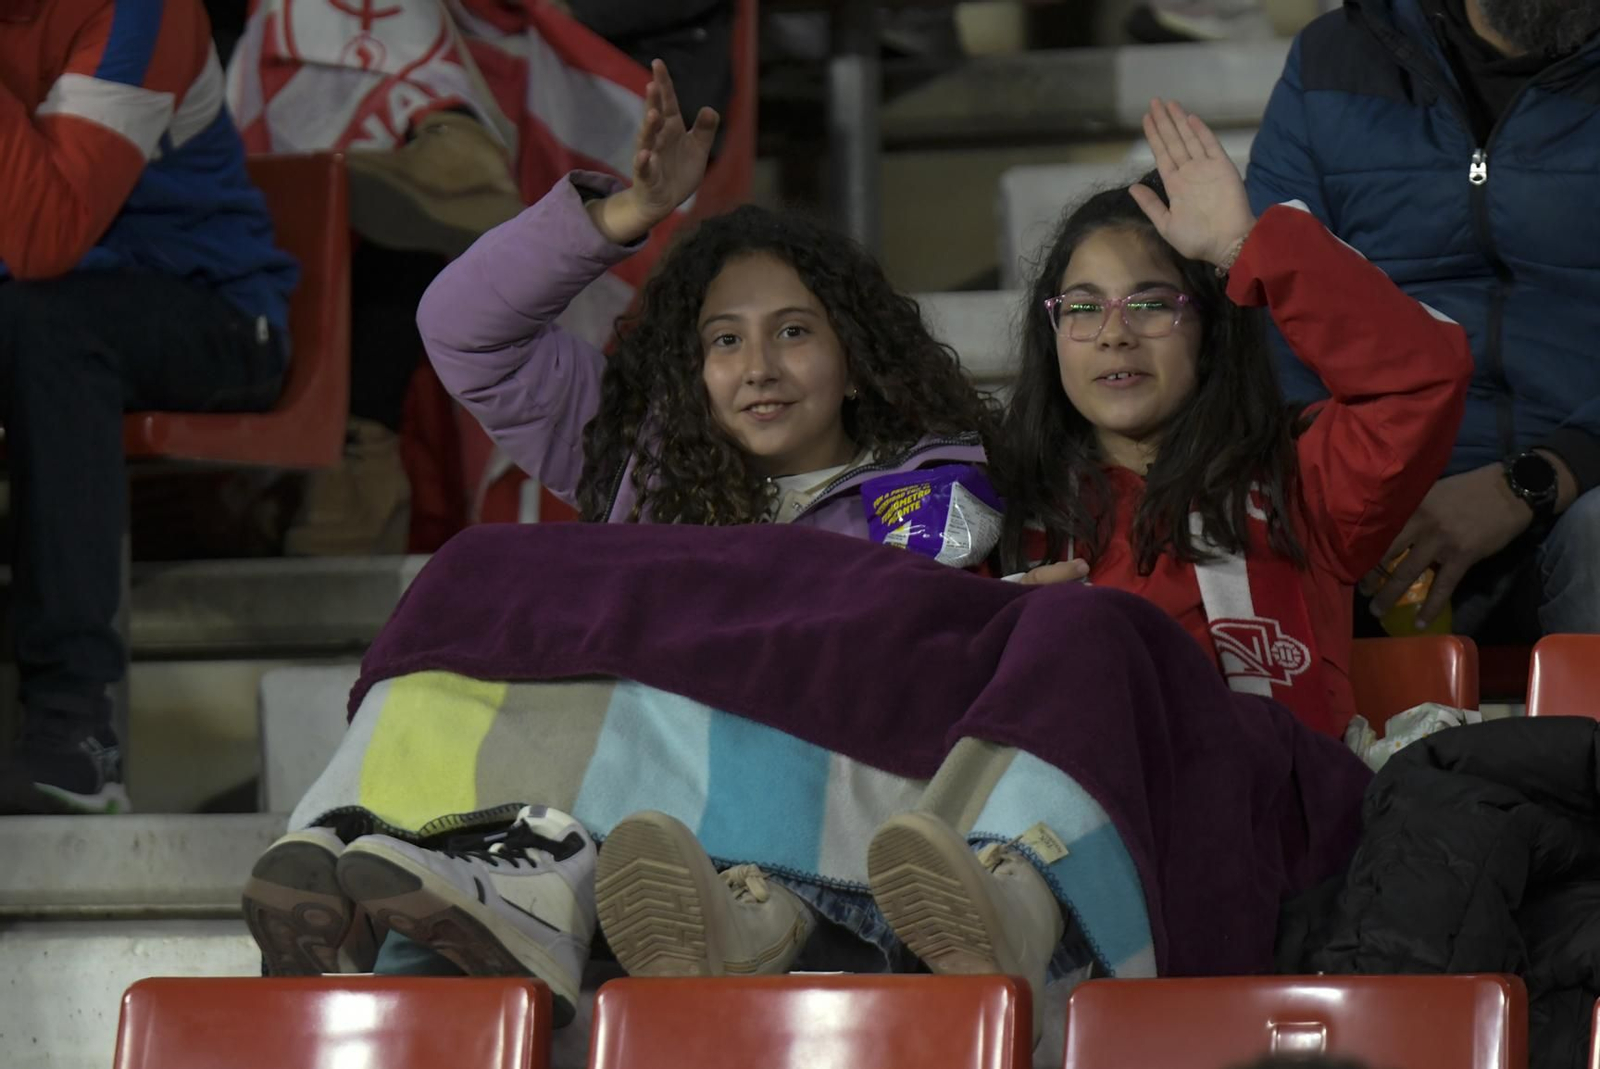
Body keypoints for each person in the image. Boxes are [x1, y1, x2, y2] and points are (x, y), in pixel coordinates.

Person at [241, 60, 1000, 998]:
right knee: (475, 582)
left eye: (794, 332)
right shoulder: (637, 456)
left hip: (763, 827)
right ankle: (348, 846)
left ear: (855, 360)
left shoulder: (929, 483)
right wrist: (624, 215)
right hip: (602, 795)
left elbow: (865, 631)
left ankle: (520, 886)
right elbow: (462, 325)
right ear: (691, 368)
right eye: (724, 340)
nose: (757, 366)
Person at [0, 0, 297, 813]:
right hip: (47, 313)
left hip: (219, 313)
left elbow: (43, 236)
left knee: (47, 324)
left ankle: (76, 735)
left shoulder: (144, 9)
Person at [1248, 0, 1600, 639]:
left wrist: (1537, 479)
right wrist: (1370, 483)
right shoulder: (1336, 58)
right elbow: (1273, 310)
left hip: (1583, 485)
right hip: (1381, 489)